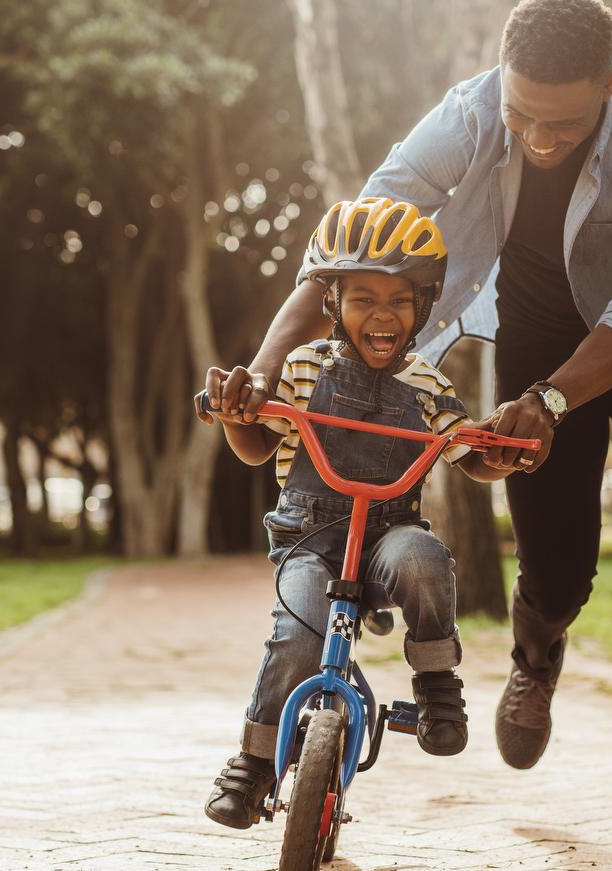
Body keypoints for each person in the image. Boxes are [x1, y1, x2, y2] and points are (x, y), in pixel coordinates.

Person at [231, 0, 612, 862]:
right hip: (537, 331)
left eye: (564, 120)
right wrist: (270, 361)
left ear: (608, 86)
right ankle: (538, 650)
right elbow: (355, 242)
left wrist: (551, 400)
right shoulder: (468, 112)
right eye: (521, 113)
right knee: (559, 564)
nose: (539, 138)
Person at [194, 197, 515, 830]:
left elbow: (465, 450)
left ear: (423, 307)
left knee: (425, 561)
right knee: (298, 634)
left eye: (399, 300)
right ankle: (254, 764)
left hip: (388, 538)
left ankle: (436, 684)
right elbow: (259, 446)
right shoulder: (302, 368)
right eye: (363, 298)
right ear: (332, 304)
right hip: (310, 539)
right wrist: (237, 416)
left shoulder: (427, 383)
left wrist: (497, 453)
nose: (382, 315)